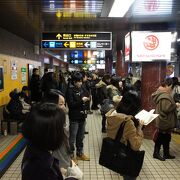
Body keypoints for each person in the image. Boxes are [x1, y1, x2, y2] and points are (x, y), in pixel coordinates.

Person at [106, 90, 144, 180]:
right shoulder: (128, 122)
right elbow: (136, 146)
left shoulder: (113, 115)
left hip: (116, 152)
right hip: (126, 156)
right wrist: (140, 128)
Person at [21, 103, 65, 180]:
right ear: (50, 134)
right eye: (61, 127)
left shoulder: (33, 147)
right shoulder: (44, 168)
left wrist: (57, 171)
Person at [152, 78, 178, 161]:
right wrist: (175, 105)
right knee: (160, 137)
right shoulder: (165, 96)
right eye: (171, 87)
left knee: (167, 137)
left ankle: (166, 153)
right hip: (164, 120)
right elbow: (165, 109)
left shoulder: (162, 93)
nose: (172, 89)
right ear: (168, 85)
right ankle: (156, 153)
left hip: (163, 119)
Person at [66, 72, 90, 161]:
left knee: (80, 137)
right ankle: (71, 156)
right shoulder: (69, 91)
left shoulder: (82, 88)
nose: (80, 83)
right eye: (78, 82)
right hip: (74, 118)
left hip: (82, 117)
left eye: (81, 81)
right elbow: (71, 105)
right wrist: (82, 101)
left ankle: (80, 153)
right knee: (72, 138)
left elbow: (87, 95)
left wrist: (87, 99)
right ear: (74, 82)